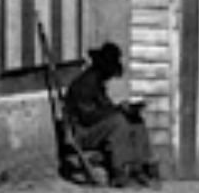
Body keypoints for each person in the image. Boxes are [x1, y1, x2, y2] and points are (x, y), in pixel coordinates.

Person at [63, 41, 159, 188]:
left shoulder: (98, 82)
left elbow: (105, 109)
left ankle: (142, 166)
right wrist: (117, 110)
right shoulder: (85, 84)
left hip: (95, 127)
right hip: (83, 133)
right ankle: (119, 173)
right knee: (118, 122)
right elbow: (88, 117)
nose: (110, 76)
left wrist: (125, 109)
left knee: (135, 120)